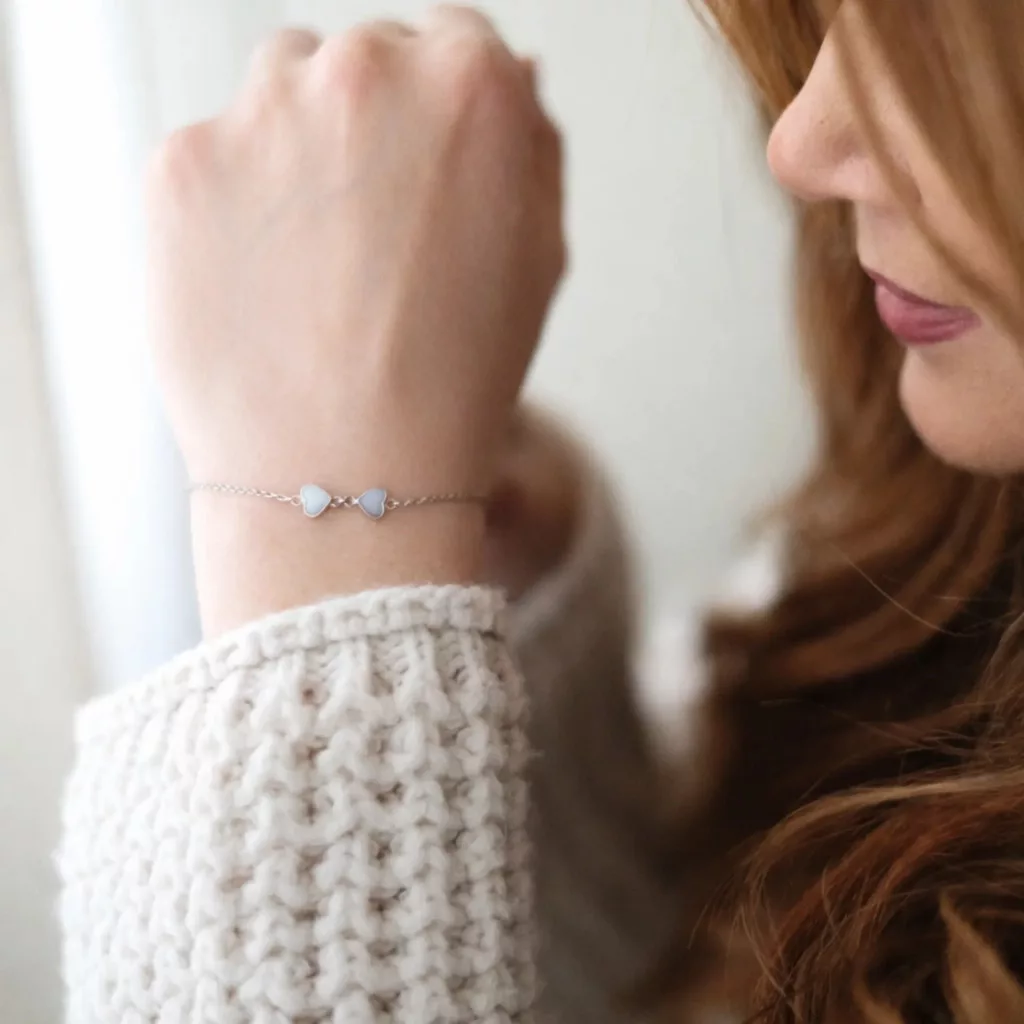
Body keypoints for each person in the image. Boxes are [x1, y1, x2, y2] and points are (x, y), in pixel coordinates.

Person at [56, 1, 1024, 1022]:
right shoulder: (942, 573)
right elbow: (708, 958)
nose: (800, 143)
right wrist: (486, 591)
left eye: (945, 45)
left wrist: (329, 629)